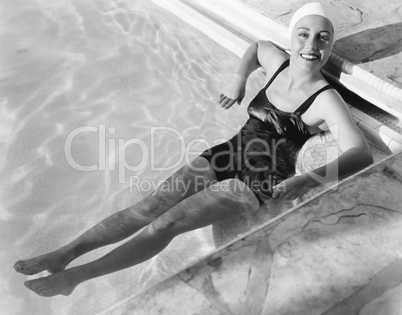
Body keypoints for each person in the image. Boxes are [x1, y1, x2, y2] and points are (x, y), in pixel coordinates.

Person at [14, 2, 373, 297]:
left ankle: (76, 278)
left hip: (262, 178)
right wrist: (238, 80)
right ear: (292, 38)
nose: (312, 45)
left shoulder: (327, 99)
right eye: (304, 34)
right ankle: (66, 254)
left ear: (329, 46)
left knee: (167, 223)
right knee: (149, 205)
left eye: (323, 39)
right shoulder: (276, 63)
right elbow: (257, 46)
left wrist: (306, 180)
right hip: (228, 152)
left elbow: (361, 154)